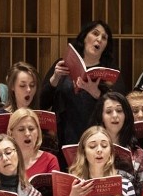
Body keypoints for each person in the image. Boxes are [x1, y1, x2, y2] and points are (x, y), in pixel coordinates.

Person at [41, 20, 126, 149]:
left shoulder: (111, 72)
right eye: (95, 34)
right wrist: (55, 78)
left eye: (104, 38)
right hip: (63, 136)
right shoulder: (63, 64)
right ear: (84, 37)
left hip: (97, 139)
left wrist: (97, 94)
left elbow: (121, 108)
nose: (99, 39)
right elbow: (41, 102)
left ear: (106, 46)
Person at [90, 92, 143, 196]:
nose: (115, 115)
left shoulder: (137, 153)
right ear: (101, 117)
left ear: (126, 115)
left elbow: (141, 194)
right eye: (108, 112)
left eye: (119, 111)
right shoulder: (89, 148)